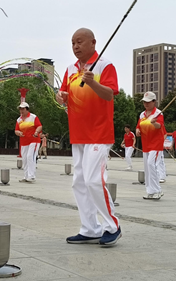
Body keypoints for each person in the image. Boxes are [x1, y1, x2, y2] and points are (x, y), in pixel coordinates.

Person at [56, 27, 121, 246]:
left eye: (80, 42)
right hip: (78, 133)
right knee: (79, 182)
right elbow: (62, 97)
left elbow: (110, 94)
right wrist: (61, 96)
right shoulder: (70, 69)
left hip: (99, 133)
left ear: (93, 43)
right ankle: (90, 228)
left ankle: (112, 225)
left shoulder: (104, 65)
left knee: (94, 180)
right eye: (73, 43)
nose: (75, 46)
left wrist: (92, 81)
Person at [136, 91, 166, 199]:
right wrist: (137, 131)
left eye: (148, 102)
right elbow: (138, 126)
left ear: (154, 102)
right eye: (144, 102)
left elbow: (159, 126)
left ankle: (157, 190)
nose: (146, 104)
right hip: (146, 144)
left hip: (156, 144)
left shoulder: (158, 113)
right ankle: (150, 190)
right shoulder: (142, 115)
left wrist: (154, 123)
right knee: (147, 168)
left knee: (150, 164)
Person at [15, 102, 42, 183]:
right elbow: (16, 130)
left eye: (23, 109)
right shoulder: (19, 120)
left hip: (34, 140)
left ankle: (32, 176)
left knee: (30, 156)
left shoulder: (33, 117)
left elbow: (39, 126)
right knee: (25, 158)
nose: (21, 110)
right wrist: (18, 133)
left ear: (27, 109)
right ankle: (26, 176)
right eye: (20, 109)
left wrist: (36, 132)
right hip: (24, 141)